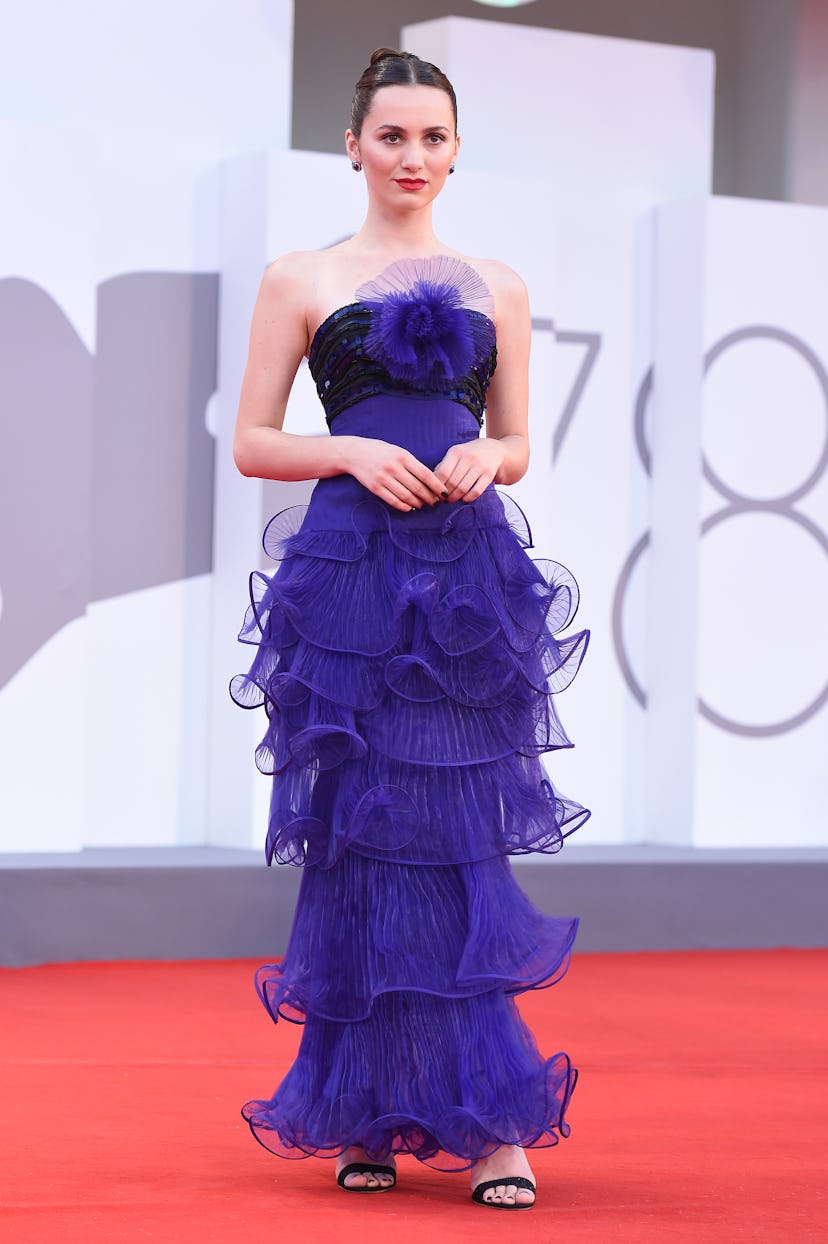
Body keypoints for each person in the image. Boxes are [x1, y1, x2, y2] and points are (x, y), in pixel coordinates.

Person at [230, 47, 590, 1211]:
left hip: (465, 575)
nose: (413, 158)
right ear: (353, 145)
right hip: (348, 574)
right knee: (357, 838)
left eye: (433, 138)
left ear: (455, 148)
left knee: (455, 835)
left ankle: (492, 1125)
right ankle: (363, 1107)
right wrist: (345, 447)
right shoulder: (300, 277)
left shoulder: (502, 284)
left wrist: (495, 453)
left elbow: (519, 437)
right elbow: (252, 440)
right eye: (393, 136)